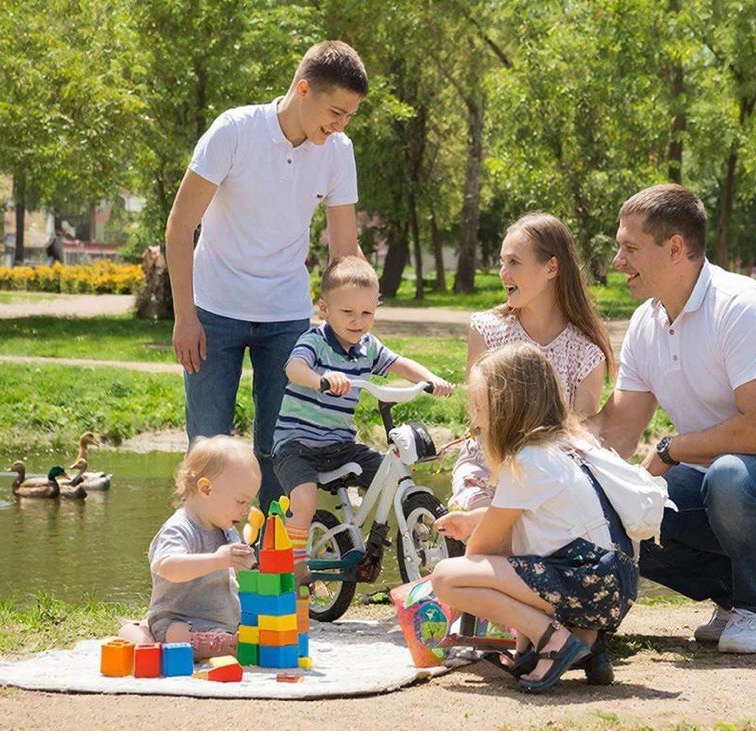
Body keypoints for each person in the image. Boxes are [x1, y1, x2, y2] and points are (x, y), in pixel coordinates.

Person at [591, 184, 756, 654]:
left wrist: (671, 449)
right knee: (621, 504)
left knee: (730, 474)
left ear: (674, 249)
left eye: (629, 248)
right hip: (718, 487)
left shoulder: (743, 307)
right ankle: (731, 598)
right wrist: (541, 451)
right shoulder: (645, 324)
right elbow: (615, 430)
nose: (617, 261)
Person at [164, 40, 368, 509]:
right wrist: (184, 317)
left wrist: (352, 324)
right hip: (213, 313)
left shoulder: (338, 151)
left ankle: (273, 550)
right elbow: (180, 225)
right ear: (303, 90)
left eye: (349, 116)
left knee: (282, 449)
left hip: (286, 318)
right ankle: (205, 548)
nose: (341, 124)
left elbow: (343, 253)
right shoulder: (235, 131)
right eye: (336, 112)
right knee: (208, 448)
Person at [431, 343, 636, 692]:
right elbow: (542, 518)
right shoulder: (566, 446)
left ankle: (553, 640)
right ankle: (584, 644)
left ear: (506, 408)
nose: (475, 418)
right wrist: (474, 520)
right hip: (610, 581)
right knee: (512, 561)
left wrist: (461, 600)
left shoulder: (529, 461)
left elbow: (484, 547)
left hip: (588, 585)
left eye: (480, 406)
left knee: (447, 578)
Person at [435, 212, 613, 540]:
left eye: (514, 262)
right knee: (490, 530)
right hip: (489, 466)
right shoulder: (487, 331)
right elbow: (480, 419)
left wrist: (530, 480)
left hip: (548, 476)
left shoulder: (585, 351)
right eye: (502, 262)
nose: (503, 273)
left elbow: (580, 435)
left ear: (551, 267)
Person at [274, 256, 452, 580]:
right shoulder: (315, 341)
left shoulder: (368, 347)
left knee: (389, 475)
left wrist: (431, 379)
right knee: (304, 498)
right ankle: (295, 563)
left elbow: (400, 363)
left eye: (367, 313)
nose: (358, 322)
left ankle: (378, 536)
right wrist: (321, 379)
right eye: (348, 312)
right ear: (324, 309)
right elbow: (294, 368)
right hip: (296, 445)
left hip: (340, 444)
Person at [118, 435, 259, 660]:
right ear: (206, 489)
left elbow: (238, 573)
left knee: (253, 634)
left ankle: (220, 640)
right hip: (179, 619)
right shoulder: (180, 528)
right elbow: (167, 566)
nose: (245, 511)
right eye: (241, 501)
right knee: (177, 635)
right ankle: (140, 634)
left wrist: (251, 567)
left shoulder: (226, 529)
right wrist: (218, 559)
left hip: (221, 621)